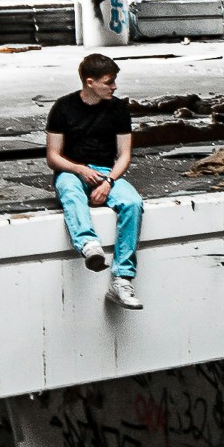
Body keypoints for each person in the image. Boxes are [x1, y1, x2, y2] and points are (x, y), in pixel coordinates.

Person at [44, 51, 143, 305]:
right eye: (108, 82)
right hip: (71, 170)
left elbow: (124, 156)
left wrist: (109, 182)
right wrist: (80, 170)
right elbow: (53, 157)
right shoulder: (63, 108)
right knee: (70, 189)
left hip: (105, 172)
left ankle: (122, 279)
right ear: (90, 82)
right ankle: (89, 244)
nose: (114, 86)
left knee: (132, 203)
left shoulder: (118, 109)